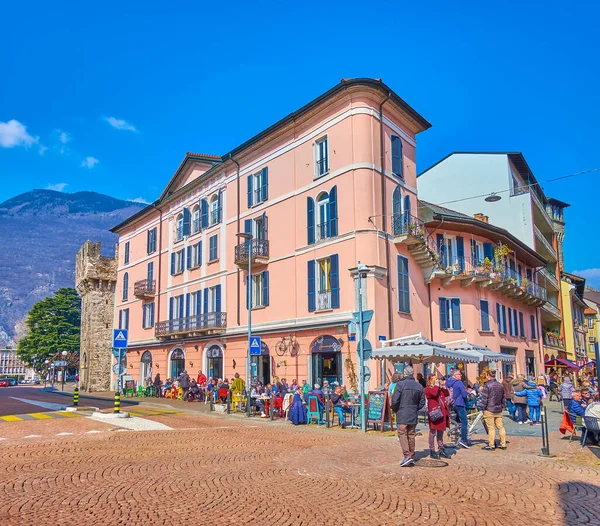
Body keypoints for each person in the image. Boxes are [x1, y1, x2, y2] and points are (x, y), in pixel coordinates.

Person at [391, 366, 426, 467]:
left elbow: (394, 400)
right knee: (411, 434)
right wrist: (415, 408)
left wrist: (396, 409)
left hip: (402, 412)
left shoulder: (400, 385)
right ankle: (412, 454)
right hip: (413, 412)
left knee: (402, 433)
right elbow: (422, 401)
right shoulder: (418, 386)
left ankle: (407, 455)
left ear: (405, 374)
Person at [424, 375, 451, 459]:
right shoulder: (427, 389)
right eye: (435, 379)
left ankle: (441, 448)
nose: (437, 380)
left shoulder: (438, 388)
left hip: (442, 412)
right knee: (433, 432)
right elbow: (434, 394)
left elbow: (447, 394)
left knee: (441, 431)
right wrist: (436, 385)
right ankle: (432, 450)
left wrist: (443, 386)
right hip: (434, 413)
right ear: (430, 380)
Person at [480, 370, 507, 450]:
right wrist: (502, 405)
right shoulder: (500, 385)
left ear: (488, 375)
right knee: (500, 427)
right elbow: (503, 397)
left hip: (489, 409)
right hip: (498, 409)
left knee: (491, 428)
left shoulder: (487, 385)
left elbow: (485, 398)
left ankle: (491, 445)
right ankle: (503, 444)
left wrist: (482, 407)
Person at [446, 369, 470, 448]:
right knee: (464, 422)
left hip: (453, 404)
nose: (461, 375)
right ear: (454, 375)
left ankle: (458, 435)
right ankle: (463, 440)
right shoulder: (459, 383)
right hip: (460, 403)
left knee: (458, 421)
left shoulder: (448, 383)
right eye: (459, 374)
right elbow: (464, 394)